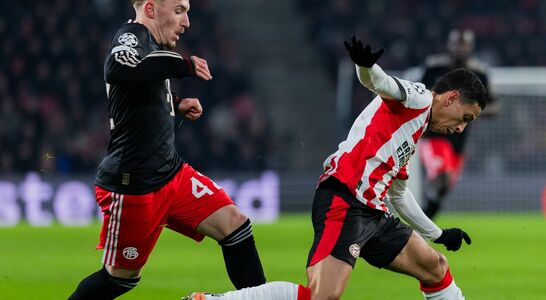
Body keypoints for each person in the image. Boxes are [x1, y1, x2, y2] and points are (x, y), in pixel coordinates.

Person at [184, 35, 488, 300]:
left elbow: (398, 194)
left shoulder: (414, 127)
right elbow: (380, 83)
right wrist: (365, 66)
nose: (461, 129)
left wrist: (438, 234)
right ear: (452, 98)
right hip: (344, 200)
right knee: (323, 295)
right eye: (466, 118)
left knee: (435, 268)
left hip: (373, 212)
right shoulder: (419, 98)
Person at [67, 0, 266, 298]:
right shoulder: (130, 36)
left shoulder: (153, 49)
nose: (186, 22)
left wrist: (174, 105)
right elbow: (119, 67)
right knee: (118, 279)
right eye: (179, 11)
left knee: (235, 226)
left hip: (172, 174)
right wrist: (183, 65)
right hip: (134, 186)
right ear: (150, 9)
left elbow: (137, 92)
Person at [418, 29, 494, 219]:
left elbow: (493, 106)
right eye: (457, 44)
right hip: (433, 136)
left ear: (471, 47)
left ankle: (420, 224)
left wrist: (466, 113)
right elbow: (419, 96)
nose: (460, 49)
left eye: (464, 45)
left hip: (459, 142)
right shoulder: (434, 69)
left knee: (443, 189)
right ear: (449, 46)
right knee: (441, 178)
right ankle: (417, 224)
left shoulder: (479, 74)